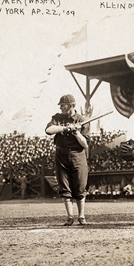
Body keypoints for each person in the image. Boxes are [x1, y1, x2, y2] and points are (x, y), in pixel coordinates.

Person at [45, 94, 90, 226]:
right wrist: (64, 128)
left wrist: (77, 132)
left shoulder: (82, 120)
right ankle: (70, 217)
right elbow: (48, 130)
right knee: (64, 185)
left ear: (72, 106)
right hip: (61, 154)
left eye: (63, 105)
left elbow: (85, 144)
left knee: (80, 185)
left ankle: (81, 216)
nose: (61, 108)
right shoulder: (57, 118)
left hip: (78, 154)